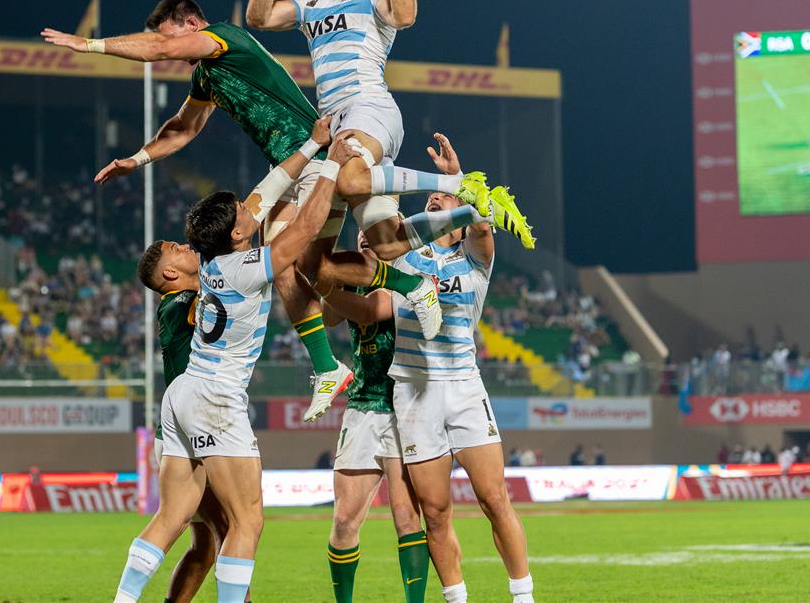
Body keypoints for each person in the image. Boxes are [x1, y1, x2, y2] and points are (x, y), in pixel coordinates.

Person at [42, 0, 487, 418]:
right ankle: (345, 351)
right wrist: (136, 159)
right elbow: (182, 128)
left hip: (312, 152)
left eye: (174, 36)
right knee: (312, 269)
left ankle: (400, 291)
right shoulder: (205, 79)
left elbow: (159, 49)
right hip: (289, 165)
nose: (175, 51)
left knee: (283, 253)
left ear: (192, 24)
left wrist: (88, 45)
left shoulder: (225, 38)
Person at [110, 140, 347, 603]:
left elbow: (261, 198)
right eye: (242, 215)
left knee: (172, 519)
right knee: (247, 521)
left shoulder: (215, 265)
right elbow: (306, 228)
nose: (249, 212)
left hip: (180, 399)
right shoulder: (238, 269)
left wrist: (312, 144)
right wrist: (331, 165)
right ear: (236, 235)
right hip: (216, 399)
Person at [246, 0, 536, 253]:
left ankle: (458, 184)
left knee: (348, 178)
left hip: (368, 108)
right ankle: (474, 211)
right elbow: (258, 17)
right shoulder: (309, 2)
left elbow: (405, 15)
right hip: (338, 124)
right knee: (386, 245)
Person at [327, 137, 533, 603]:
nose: (438, 199)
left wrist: (461, 183)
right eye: (433, 197)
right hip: (412, 393)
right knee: (436, 513)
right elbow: (380, 236)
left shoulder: (475, 262)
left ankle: (524, 597)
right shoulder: (404, 255)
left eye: (446, 199)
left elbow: (482, 226)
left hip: (462, 387)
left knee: (494, 499)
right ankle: (455, 599)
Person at [318, 231, 433, 603]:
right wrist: (335, 275)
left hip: (405, 407)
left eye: (375, 230)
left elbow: (373, 310)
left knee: (406, 517)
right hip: (363, 406)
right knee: (344, 520)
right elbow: (329, 316)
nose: (365, 236)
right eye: (360, 232)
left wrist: (317, 273)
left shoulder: (409, 279)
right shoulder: (357, 284)